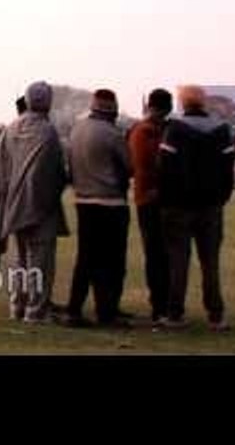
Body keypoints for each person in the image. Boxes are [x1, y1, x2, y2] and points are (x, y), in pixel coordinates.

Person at [0, 81, 68, 323]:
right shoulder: (48, 131)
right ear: (48, 102)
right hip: (40, 205)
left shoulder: (10, 129)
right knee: (40, 261)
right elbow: (56, 172)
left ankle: (17, 305)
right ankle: (36, 310)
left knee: (19, 260)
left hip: (12, 205)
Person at [159, 85, 234, 331]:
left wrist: (166, 200)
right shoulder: (221, 129)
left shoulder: (174, 129)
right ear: (204, 103)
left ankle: (175, 314)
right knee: (210, 263)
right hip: (211, 205)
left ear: (182, 103)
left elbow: (165, 168)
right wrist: (221, 198)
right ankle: (216, 315)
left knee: (178, 261)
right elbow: (228, 170)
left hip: (178, 205)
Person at [65, 89, 132, 328]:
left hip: (83, 202)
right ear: (112, 110)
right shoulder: (112, 134)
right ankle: (107, 311)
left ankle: (74, 309)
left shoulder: (76, 130)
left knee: (85, 259)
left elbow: (70, 167)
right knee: (112, 262)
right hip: (110, 203)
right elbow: (129, 166)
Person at [128, 88, 173, 326]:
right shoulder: (147, 131)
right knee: (158, 255)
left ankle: (163, 304)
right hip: (151, 198)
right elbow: (151, 165)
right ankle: (160, 306)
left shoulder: (143, 129)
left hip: (149, 198)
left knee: (159, 254)